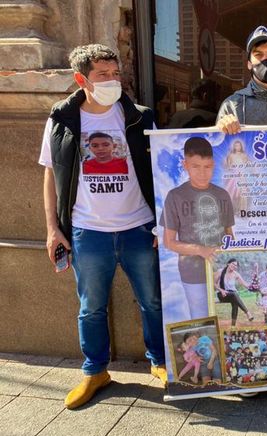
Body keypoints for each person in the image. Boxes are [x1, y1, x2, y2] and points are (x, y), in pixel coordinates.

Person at [39, 44, 166, 409]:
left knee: (152, 301)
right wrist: (52, 228)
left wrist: (163, 222)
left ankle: (159, 361)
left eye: (116, 74)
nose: (113, 81)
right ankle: (95, 371)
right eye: (103, 75)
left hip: (140, 228)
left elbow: (163, 170)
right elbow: (50, 176)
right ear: (82, 80)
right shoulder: (62, 120)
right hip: (86, 231)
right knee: (90, 306)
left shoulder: (141, 117)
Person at [161, 137, 235, 319]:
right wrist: (199, 249)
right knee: (202, 320)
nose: (202, 173)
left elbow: (229, 235)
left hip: (219, 271)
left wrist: (230, 257)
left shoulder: (223, 195)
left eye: (207, 167)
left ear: (214, 164)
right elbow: (169, 242)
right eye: (195, 166)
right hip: (192, 272)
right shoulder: (175, 196)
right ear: (185, 165)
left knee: (225, 320)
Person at [214, 258, 255, 327]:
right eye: (233, 264)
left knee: (235, 301)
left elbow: (245, 284)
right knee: (235, 295)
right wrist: (221, 290)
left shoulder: (236, 274)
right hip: (222, 294)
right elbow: (214, 283)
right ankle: (247, 312)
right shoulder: (220, 271)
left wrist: (253, 286)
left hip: (232, 295)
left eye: (236, 266)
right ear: (228, 264)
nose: (234, 266)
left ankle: (233, 325)